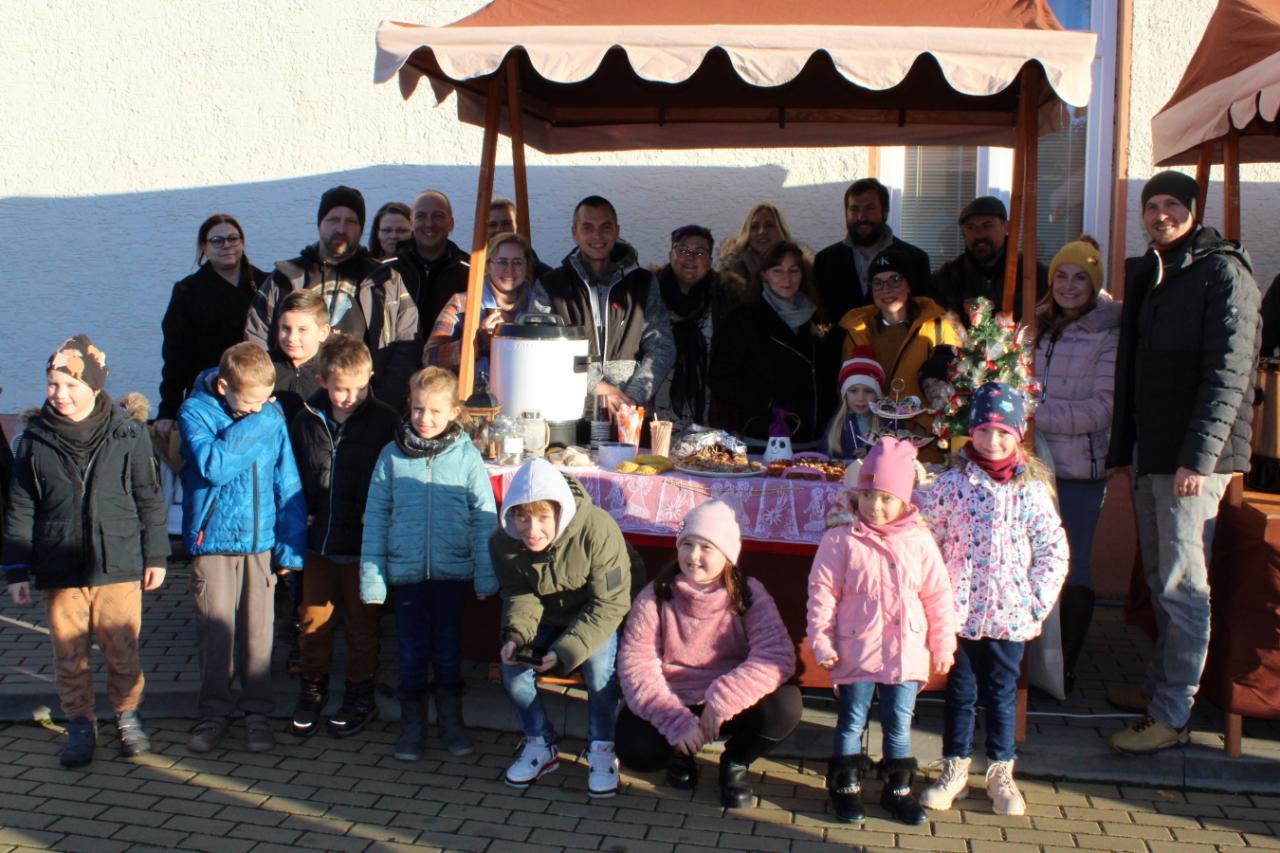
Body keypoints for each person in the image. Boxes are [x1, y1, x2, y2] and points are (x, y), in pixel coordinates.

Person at [1105, 170, 1262, 753]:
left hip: (1193, 461)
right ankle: (1158, 690)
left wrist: (1198, 458)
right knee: (1159, 579)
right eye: (1152, 205)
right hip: (1154, 452)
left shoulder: (1223, 273)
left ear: (1195, 211)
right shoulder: (1157, 269)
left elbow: (1228, 375)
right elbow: (1136, 370)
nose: (1161, 214)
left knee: (1183, 585)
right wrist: (1126, 450)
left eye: (1173, 204)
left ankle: (1172, 715)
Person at [3, 336, 169, 767]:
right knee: (69, 653)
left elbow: (149, 498)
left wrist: (155, 555)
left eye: (71, 385)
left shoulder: (127, 432)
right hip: (59, 565)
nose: (60, 394)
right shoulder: (33, 439)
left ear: (94, 387)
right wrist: (17, 569)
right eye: (52, 384)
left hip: (118, 562)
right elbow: (20, 506)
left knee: (121, 649)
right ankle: (80, 722)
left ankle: (127, 714)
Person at [918, 383, 1068, 816]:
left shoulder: (1030, 490)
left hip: (1010, 615)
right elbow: (928, 542)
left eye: (1003, 432)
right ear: (971, 432)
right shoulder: (951, 485)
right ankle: (955, 768)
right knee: (961, 691)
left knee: (1002, 693)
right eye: (984, 430)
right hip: (959, 614)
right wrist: (933, 600)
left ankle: (1001, 771)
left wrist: (1035, 602)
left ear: (1017, 434)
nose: (993, 440)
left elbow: (1052, 549)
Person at [807, 437, 956, 824]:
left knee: (898, 723)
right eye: (868, 495)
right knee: (852, 719)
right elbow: (822, 593)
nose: (875, 506)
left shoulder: (919, 541)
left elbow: (938, 594)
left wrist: (943, 644)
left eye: (886, 498)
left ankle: (898, 789)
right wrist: (821, 641)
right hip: (856, 647)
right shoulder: (841, 538)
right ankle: (845, 785)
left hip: (906, 650)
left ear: (904, 500)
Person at [616, 500, 801, 808]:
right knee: (636, 750)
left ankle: (736, 761)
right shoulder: (656, 594)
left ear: (726, 555)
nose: (693, 556)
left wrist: (724, 699)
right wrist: (674, 721)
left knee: (785, 706)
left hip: (728, 705)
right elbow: (636, 664)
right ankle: (682, 752)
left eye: (706, 547)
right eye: (687, 544)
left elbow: (776, 656)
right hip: (674, 698)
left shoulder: (749, 593)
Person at [360, 367, 498, 760]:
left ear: (454, 412)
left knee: (448, 652)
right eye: (418, 408)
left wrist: (486, 575)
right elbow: (376, 519)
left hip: (452, 574)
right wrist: (372, 579)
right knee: (411, 653)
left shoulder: (467, 458)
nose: (425, 418)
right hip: (406, 575)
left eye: (436, 411)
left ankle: (451, 722)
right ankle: (412, 725)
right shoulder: (390, 456)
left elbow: (484, 519)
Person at [178, 342, 307, 754]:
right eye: (249, 400)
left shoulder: (269, 415)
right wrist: (262, 420)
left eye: (264, 399)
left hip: (260, 542)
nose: (258, 407)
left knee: (258, 636)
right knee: (215, 634)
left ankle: (257, 714)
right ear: (223, 386)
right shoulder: (195, 412)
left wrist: (290, 548)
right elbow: (213, 465)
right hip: (212, 542)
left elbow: (287, 481)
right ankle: (213, 714)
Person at [490, 457, 640, 797]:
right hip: (547, 617)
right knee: (512, 667)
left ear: (560, 511)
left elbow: (610, 604)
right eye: (522, 517)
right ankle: (539, 741)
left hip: (599, 612)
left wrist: (563, 652)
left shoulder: (598, 529)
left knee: (600, 668)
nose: (532, 530)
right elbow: (519, 592)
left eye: (543, 517)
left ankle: (602, 746)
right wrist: (516, 635)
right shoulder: (502, 541)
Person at [288, 336, 398, 739]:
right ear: (322, 381)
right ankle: (311, 690)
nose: (351, 397)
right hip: (318, 542)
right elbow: (292, 473)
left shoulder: (385, 420)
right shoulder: (305, 419)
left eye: (360, 388)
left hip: (364, 545)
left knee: (362, 627)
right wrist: (300, 510)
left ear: (371, 377)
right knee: (312, 623)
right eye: (341, 389)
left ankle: (360, 693)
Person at [1032, 236, 1121, 693]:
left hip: (1080, 470)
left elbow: (1101, 410)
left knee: (1073, 565)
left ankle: (1065, 665)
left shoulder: (1109, 333)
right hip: (1034, 465)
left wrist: (1033, 415)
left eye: (1080, 277)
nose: (1068, 286)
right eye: (1061, 276)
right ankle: (1035, 662)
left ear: (1094, 283)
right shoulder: (1040, 326)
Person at [245, 185, 419, 411]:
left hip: (363, 407)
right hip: (288, 406)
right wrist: (262, 394)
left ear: (361, 228)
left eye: (351, 221)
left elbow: (407, 344)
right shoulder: (286, 277)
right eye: (333, 219)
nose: (341, 228)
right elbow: (256, 339)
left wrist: (383, 406)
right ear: (320, 223)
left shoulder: (386, 280)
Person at [529, 196, 675, 415]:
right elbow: (539, 348)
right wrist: (597, 386)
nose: (597, 236)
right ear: (575, 232)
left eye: (605, 227)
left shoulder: (643, 283)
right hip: (567, 413)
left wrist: (632, 398)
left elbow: (662, 346)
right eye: (587, 227)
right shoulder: (550, 285)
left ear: (616, 231)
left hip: (628, 414)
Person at [709, 240, 837, 449]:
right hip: (763, 441)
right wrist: (767, 404)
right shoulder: (744, 319)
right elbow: (720, 378)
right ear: (764, 275)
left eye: (793, 270)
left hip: (815, 442)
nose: (787, 278)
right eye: (777, 271)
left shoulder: (818, 318)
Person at [837, 249, 962, 460]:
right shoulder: (857, 330)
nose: (886, 289)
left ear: (908, 284)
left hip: (924, 451)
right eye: (878, 282)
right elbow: (847, 392)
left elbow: (952, 391)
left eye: (895, 280)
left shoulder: (939, 327)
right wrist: (862, 440)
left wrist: (916, 437)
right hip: (871, 450)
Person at [157, 214, 267, 438]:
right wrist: (168, 409)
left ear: (242, 242)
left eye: (233, 238)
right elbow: (176, 355)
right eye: (217, 240)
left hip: (259, 397)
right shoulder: (187, 292)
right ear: (204, 247)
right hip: (208, 398)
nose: (226, 245)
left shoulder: (265, 284)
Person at [653, 225, 748, 428]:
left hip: (711, 413)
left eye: (700, 252)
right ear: (670, 254)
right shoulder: (648, 294)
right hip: (655, 414)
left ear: (710, 261)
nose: (690, 258)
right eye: (683, 250)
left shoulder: (728, 299)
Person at [814, 179, 932, 322]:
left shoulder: (916, 259)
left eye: (869, 208)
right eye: (854, 209)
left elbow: (924, 317)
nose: (861, 217)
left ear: (885, 212)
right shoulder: (825, 261)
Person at [424, 232, 534, 381]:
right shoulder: (463, 303)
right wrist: (477, 341)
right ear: (488, 265)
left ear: (526, 266)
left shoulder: (539, 304)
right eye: (502, 262)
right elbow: (429, 357)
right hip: (474, 393)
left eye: (517, 262)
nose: (509, 269)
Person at [930, 196, 1047, 324]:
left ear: (1006, 227)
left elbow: (1043, 318)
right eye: (971, 227)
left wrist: (991, 310)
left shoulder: (1033, 275)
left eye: (988, 226)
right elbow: (939, 319)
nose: (979, 234)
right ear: (963, 232)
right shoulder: (948, 276)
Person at [395, 190, 472, 335]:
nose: (429, 224)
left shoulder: (471, 273)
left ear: (451, 224)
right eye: (421, 216)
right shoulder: (388, 270)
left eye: (438, 216)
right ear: (411, 223)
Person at [271, 289, 331, 425]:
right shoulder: (261, 365)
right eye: (286, 328)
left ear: (323, 333)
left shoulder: (333, 371)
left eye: (302, 330)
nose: (291, 338)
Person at [824, 348, 885, 459]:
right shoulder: (837, 425)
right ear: (845, 394)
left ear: (877, 395)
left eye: (868, 391)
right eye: (853, 391)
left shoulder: (888, 423)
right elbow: (825, 458)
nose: (860, 398)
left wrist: (871, 452)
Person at [717, 203, 797, 286]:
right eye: (754, 226)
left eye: (770, 225)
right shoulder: (730, 271)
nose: (762, 231)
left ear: (781, 231)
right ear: (747, 232)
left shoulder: (799, 265)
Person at [488, 197, 552, 278]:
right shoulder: (474, 271)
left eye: (506, 223)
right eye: (492, 225)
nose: (499, 229)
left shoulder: (544, 276)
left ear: (517, 225)